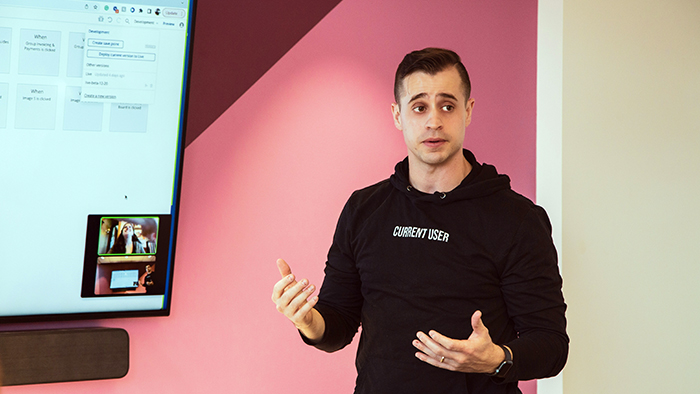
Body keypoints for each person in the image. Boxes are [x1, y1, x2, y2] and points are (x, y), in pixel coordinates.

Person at [271, 47, 568, 393]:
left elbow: (551, 346)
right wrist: (308, 321)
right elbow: (338, 323)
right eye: (419, 107)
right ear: (398, 115)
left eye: (447, 105)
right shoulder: (364, 209)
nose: (433, 121)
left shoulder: (516, 219)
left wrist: (496, 358)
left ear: (468, 111)